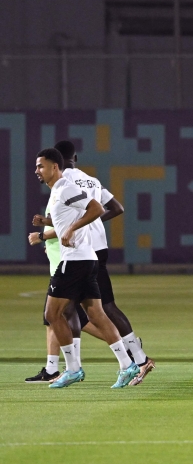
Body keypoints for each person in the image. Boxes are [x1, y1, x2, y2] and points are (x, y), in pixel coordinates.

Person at [50, 140, 155, 386]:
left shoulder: (64, 183)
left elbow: (69, 218)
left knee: (100, 308)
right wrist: (94, 221)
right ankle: (74, 367)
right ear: (75, 156)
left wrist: (56, 231)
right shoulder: (92, 180)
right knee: (73, 308)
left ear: (56, 161)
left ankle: (138, 359)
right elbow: (116, 208)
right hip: (98, 246)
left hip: (83, 251)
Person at [25, 164, 97, 383]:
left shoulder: (66, 187)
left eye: (40, 166)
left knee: (57, 316)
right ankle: (129, 357)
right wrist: (47, 224)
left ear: (55, 166)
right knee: (83, 316)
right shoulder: (62, 189)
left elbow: (91, 213)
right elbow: (68, 220)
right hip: (72, 259)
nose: (36, 170)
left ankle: (69, 369)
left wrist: (44, 236)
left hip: (69, 261)